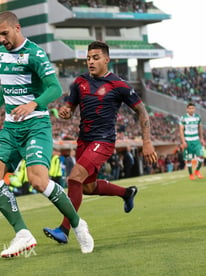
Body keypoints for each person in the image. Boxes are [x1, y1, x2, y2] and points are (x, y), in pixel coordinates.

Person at [0, 11, 94, 258]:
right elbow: (6, 83)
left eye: (5, 33)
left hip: (36, 125)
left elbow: (55, 87)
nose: (1, 39)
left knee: (38, 181)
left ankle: (77, 224)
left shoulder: (35, 53)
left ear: (17, 28)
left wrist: (33, 104)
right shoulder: (1, 53)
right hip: (11, 127)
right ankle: (22, 233)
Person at [43, 41, 158, 245]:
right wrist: (65, 112)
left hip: (103, 142)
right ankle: (126, 192)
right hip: (83, 141)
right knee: (87, 188)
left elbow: (142, 111)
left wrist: (146, 142)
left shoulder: (119, 85)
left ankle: (65, 229)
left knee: (74, 178)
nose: (91, 62)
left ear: (107, 60)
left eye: (95, 58)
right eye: (88, 58)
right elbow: (69, 108)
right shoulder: (79, 82)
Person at [179, 103, 204, 180]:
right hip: (188, 140)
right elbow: (181, 130)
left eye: (193, 108)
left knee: (201, 155)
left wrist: (201, 138)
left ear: (194, 109)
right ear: (187, 109)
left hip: (196, 139)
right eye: (190, 108)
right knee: (189, 159)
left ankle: (197, 171)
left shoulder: (198, 117)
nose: (191, 110)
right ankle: (191, 174)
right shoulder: (183, 118)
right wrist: (183, 142)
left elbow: (200, 128)